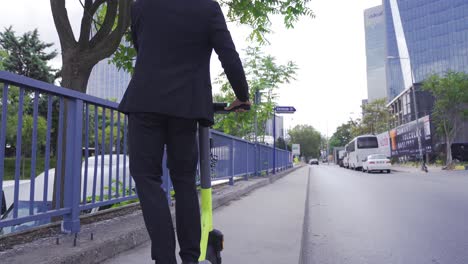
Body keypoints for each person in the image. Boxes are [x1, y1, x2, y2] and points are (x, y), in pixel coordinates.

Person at [118, 0, 250, 263]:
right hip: (186, 105)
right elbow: (228, 54)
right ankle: (190, 257)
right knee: (184, 181)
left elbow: (141, 46)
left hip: (146, 101)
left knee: (146, 178)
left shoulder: (141, 6)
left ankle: (164, 258)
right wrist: (242, 95)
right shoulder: (207, 8)